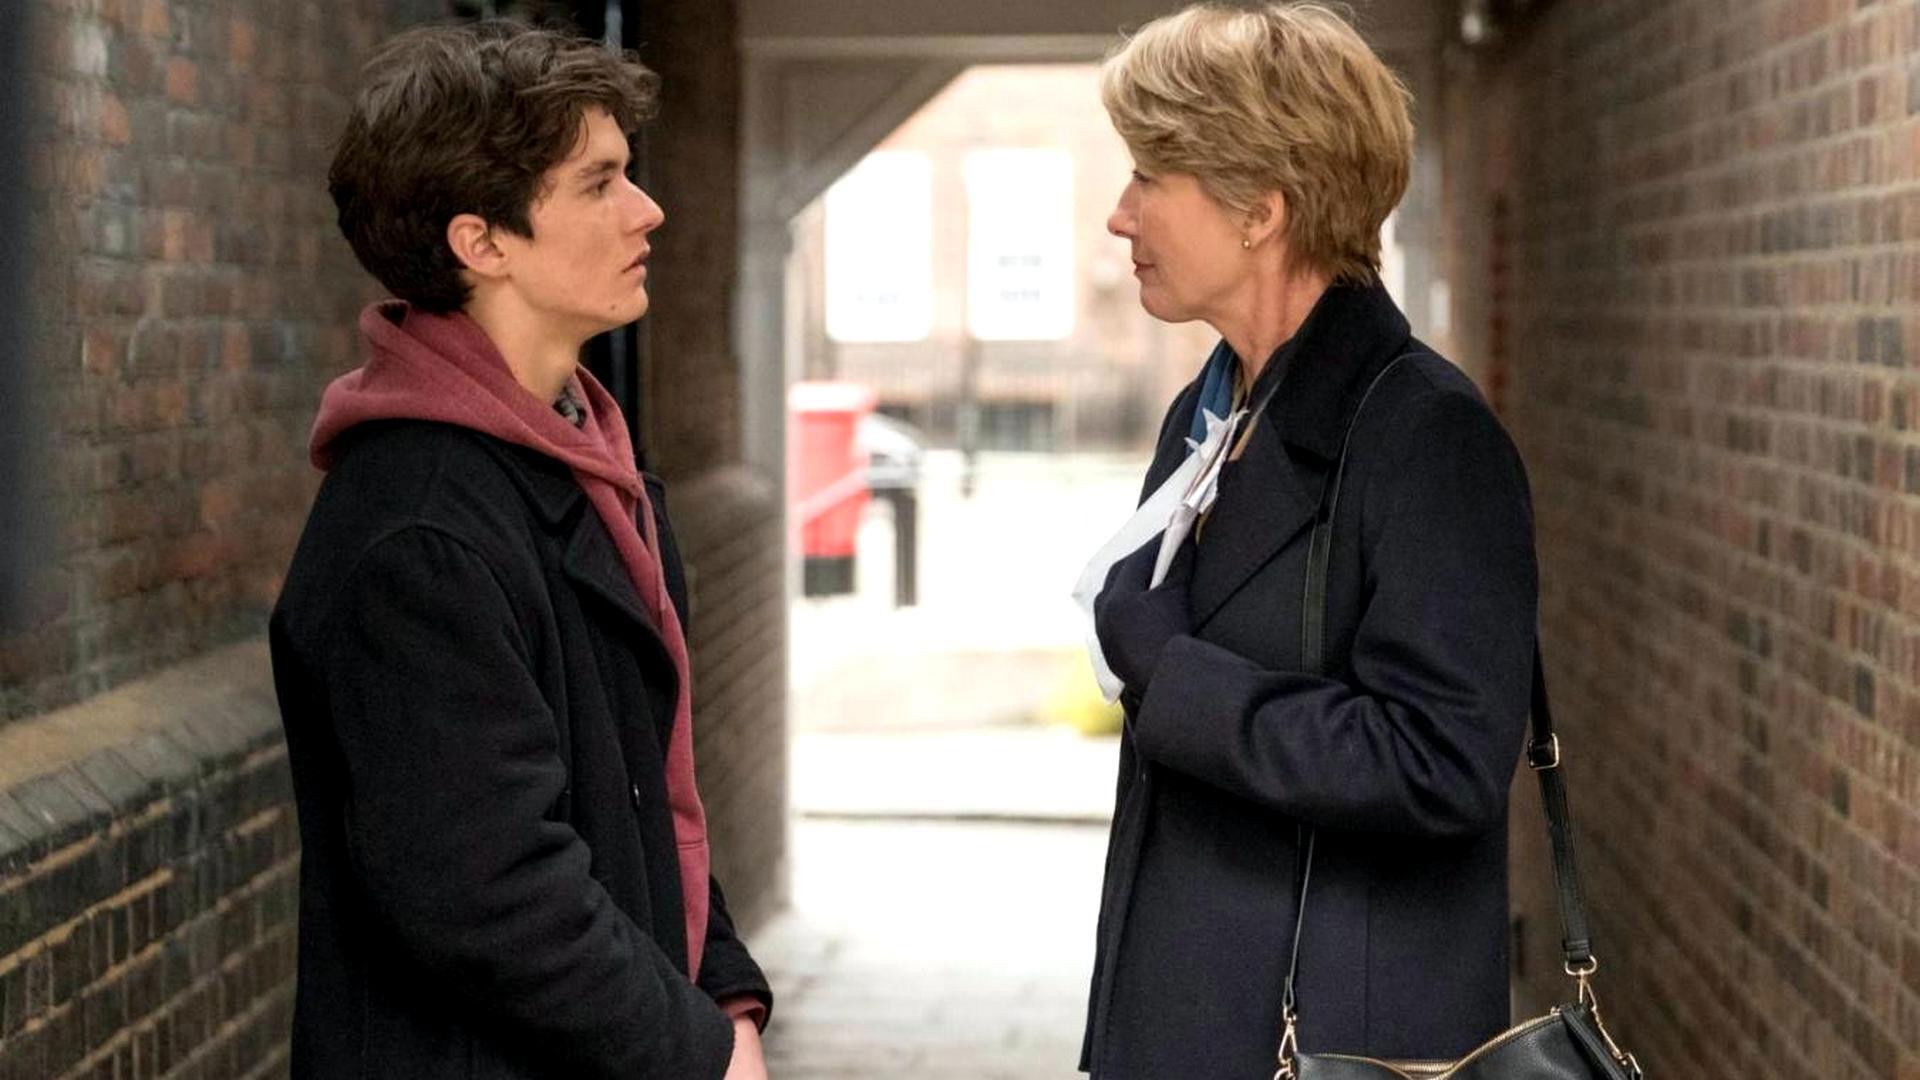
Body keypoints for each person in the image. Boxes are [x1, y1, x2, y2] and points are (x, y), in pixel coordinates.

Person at [269, 22, 771, 1080]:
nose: (648, 209)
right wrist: (699, 1052)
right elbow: (485, 887)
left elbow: (651, 795)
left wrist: (725, 993)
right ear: (482, 243)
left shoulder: (587, 464)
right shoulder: (419, 533)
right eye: (599, 183)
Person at [1082, 4, 1538, 1077]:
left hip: (1321, 1046)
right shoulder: (1210, 409)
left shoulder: (1428, 436)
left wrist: (1176, 677)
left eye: (1148, 176)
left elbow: (1443, 764)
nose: (1118, 216)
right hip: (1185, 1024)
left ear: (1260, 210)